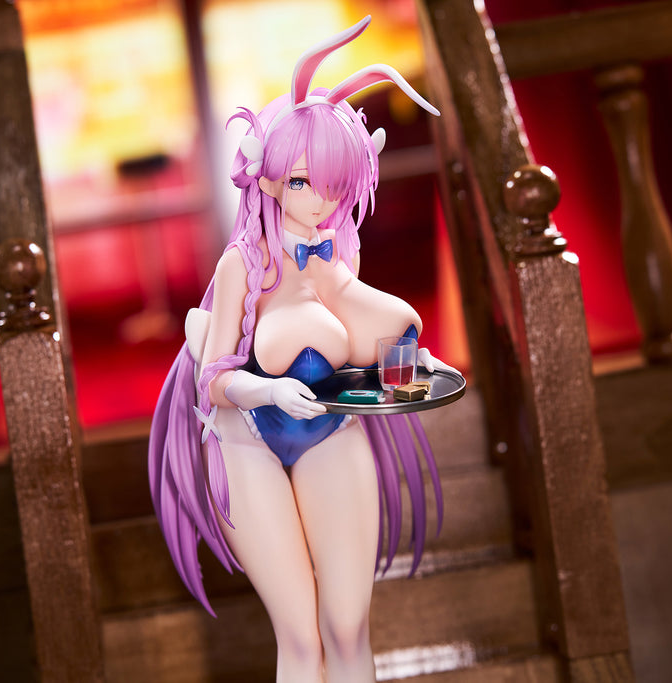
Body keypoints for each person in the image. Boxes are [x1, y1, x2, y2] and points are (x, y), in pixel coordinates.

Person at [149, 16, 452, 682]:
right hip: (246, 442)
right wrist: (267, 388)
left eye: (334, 183)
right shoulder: (241, 264)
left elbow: (371, 340)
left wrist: (408, 363)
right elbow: (213, 379)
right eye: (301, 182)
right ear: (265, 180)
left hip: (330, 433)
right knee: (300, 637)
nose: (319, 200)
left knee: (347, 626)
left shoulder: (338, 256)